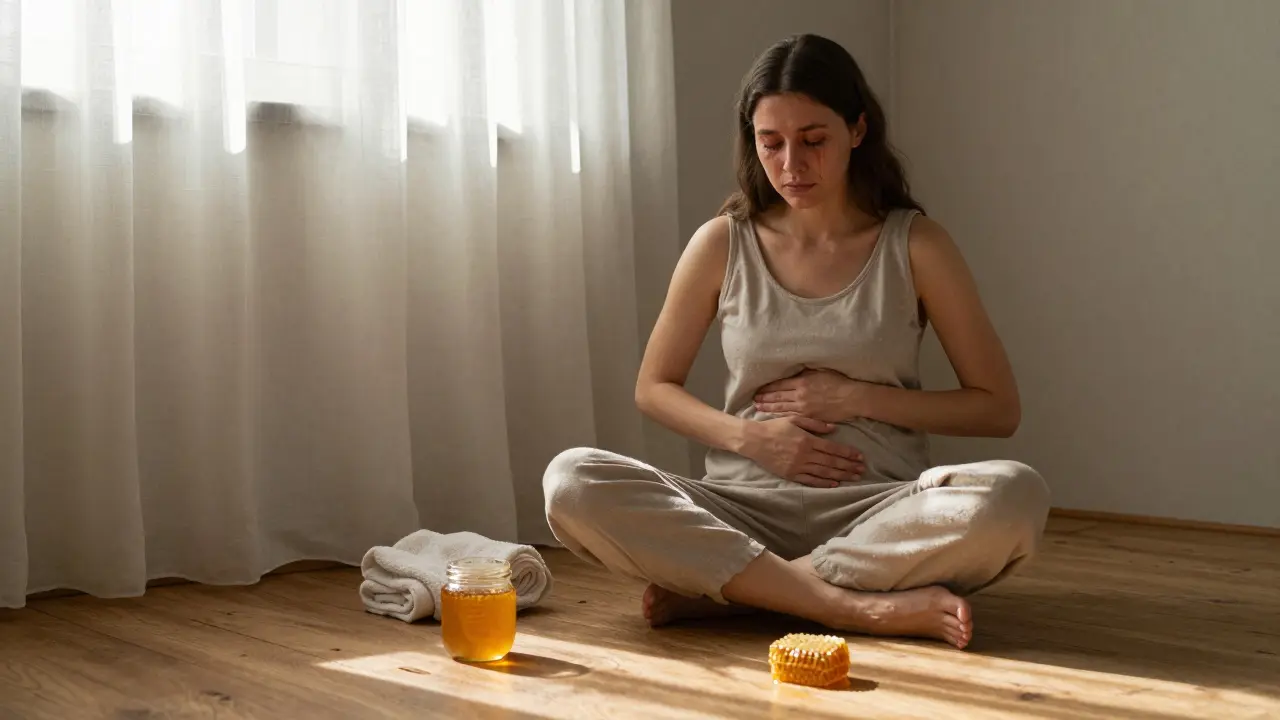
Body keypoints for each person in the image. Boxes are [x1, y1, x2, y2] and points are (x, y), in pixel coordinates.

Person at [541, 33, 1049, 650]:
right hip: (739, 508)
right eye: (770, 143)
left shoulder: (918, 245)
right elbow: (653, 388)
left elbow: (997, 408)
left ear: (857, 131)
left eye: (813, 141)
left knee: (1014, 496)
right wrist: (750, 438)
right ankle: (846, 606)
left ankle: (742, 594)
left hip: (879, 511)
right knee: (571, 480)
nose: (790, 165)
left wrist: (854, 398)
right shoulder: (720, 243)